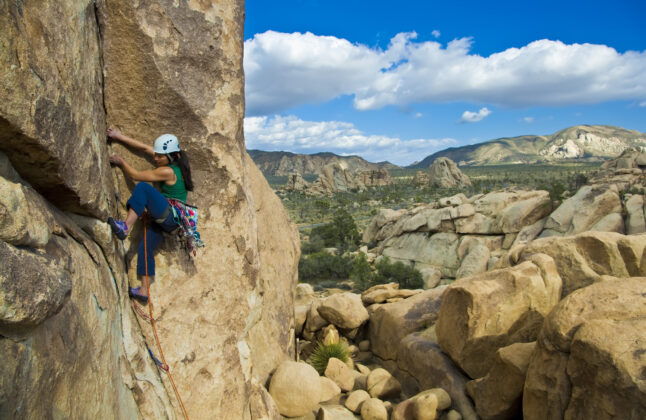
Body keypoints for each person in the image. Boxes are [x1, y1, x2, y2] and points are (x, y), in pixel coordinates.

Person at [107, 128, 194, 303]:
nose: (155, 158)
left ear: (171, 156)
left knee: (143, 188)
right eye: (156, 155)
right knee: (144, 248)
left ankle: (125, 226)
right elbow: (146, 149)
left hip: (169, 216)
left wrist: (121, 162)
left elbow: (135, 175)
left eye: (159, 157)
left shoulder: (168, 172)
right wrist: (119, 137)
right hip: (170, 221)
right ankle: (144, 291)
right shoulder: (175, 164)